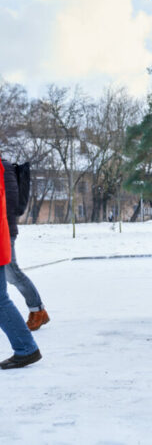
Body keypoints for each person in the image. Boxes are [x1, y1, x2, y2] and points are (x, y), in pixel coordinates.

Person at [0, 157, 41, 369]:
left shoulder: (2, 167)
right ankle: (26, 347)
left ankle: (26, 347)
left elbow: (10, 206)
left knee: (1, 297)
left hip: (3, 236)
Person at [2, 159, 50, 331]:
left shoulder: (4, 167)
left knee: (12, 272)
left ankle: (38, 310)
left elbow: (10, 202)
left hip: (4, 230)